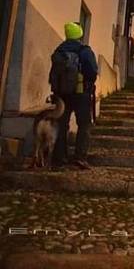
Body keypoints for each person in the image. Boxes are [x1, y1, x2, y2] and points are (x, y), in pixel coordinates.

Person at [50, 22, 98, 170]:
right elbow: (92, 71)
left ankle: (59, 158)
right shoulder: (84, 51)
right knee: (84, 124)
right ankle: (80, 157)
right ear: (80, 35)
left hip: (62, 94)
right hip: (81, 92)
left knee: (62, 124)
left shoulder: (59, 51)